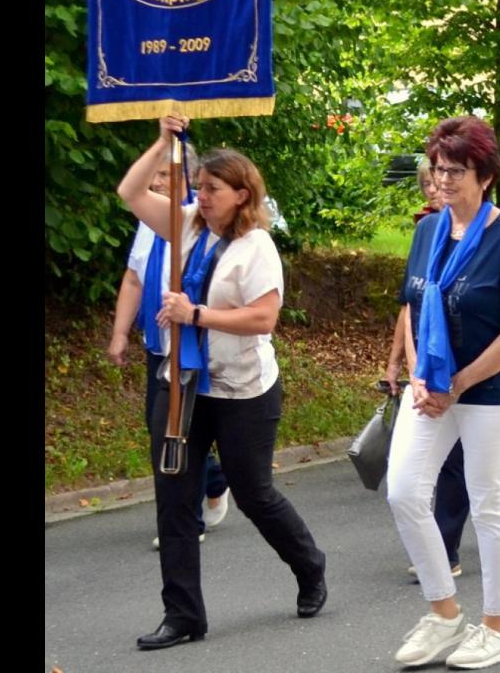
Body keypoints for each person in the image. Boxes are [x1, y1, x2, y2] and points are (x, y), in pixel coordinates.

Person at [117, 116, 326, 651]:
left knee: (253, 492)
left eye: (212, 189)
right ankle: (183, 615)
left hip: (242, 390)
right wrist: (164, 143)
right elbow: (130, 191)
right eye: (200, 187)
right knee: (174, 496)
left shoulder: (257, 248)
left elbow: (262, 319)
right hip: (183, 383)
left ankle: (309, 565)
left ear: (241, 194)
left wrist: (197, 314)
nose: (201, 196)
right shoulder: (187, 223)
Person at [387, 116, 500, 670]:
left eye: (457, 170)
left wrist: (456, 385)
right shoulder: (428, 230)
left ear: (485, 176)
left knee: (487, 504)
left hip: (489, 391)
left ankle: (496, 628)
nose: (444, 180)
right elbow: (413, 305)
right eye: (438, 169)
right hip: (432, 386)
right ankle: (445, 614)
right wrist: (418, 376)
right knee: (404, 491)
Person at [109, 152, 232, 550]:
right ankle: (215, 480)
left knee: (179, 430)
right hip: (158, 346)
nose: (158, 181)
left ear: (188, 176)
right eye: (155, 173)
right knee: (159, 427)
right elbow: (133, 278)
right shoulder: (151, 222)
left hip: (194, 345)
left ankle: (186, 521)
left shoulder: (200, 221)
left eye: (165, 173)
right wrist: (120, 333)